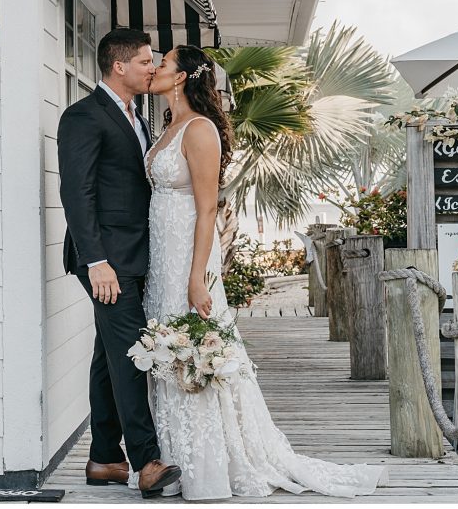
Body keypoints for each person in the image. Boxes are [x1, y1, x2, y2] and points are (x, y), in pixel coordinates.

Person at [140, 44, 389, 500]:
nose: (154, 69)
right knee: (167, 347)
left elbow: (208, 206)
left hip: (188, 253)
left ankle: (212, 466)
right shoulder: (166, 127)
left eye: (163, 63)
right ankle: (179, 457)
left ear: (181, 77)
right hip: (161, 252)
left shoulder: (199, 130)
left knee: (194, 341)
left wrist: (197, 276)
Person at [57, 28, 182, 499]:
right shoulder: (82, 117)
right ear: (119, 66)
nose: (153, 68)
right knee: (132, 356)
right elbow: (77, 192)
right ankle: (146, 461)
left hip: (137, 254)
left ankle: (105, 458)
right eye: (147, 61)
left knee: (109, 357)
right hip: (107, 262)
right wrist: (97, 261)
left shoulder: (139, 116)